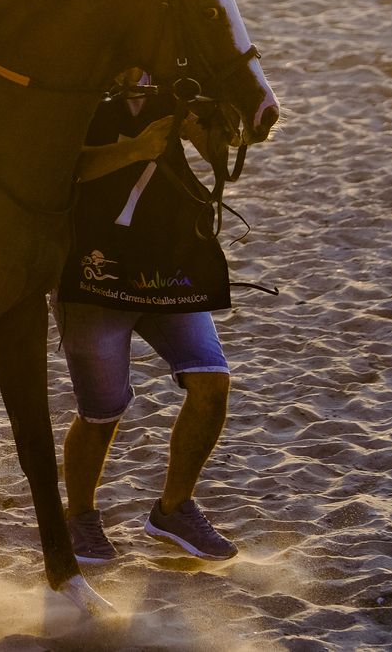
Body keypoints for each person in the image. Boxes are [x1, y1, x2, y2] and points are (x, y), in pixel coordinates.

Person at [54, 68, 242, 563]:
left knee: (211, 382)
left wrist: (208, 128)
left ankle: (174, 509)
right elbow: (59, 167)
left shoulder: (178, 81)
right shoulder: (76, 81)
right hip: (95, 271)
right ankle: (80, 519)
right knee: (102, 411)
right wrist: (134, 149)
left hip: (166, 264)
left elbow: (221, 155)